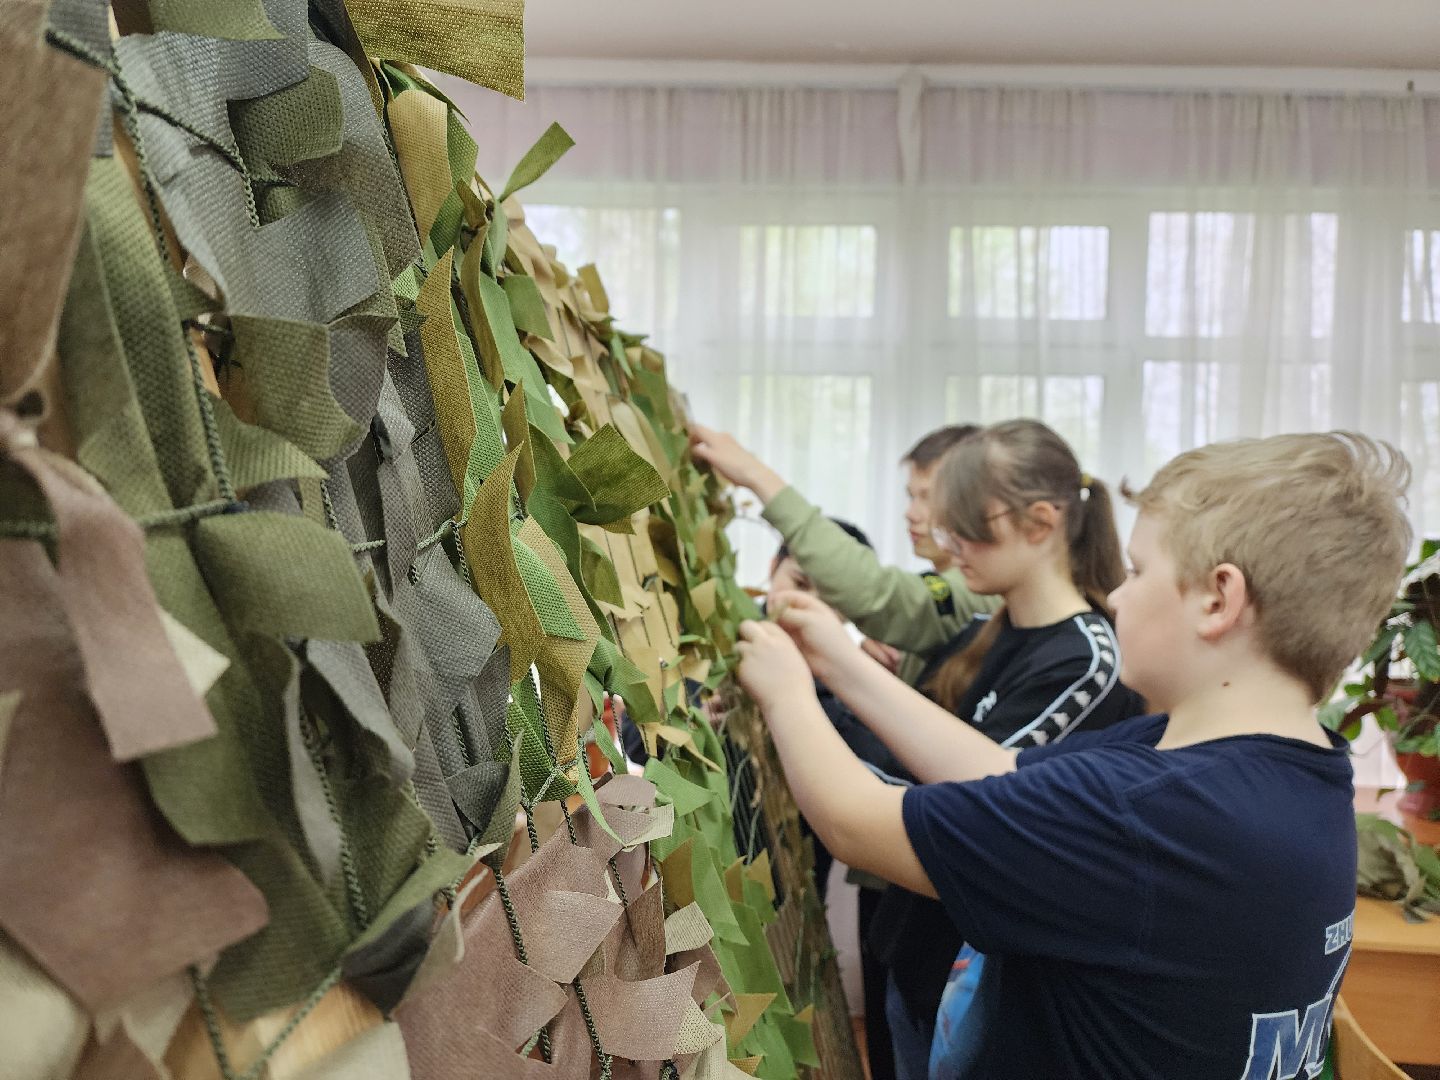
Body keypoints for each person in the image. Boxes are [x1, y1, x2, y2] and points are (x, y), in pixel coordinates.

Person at [737, 431, 1412, 1079]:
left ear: (1218, 598)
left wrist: (787, 691)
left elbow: (855, 821)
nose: (1116, 593)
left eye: (1141, 571)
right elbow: (998, 771)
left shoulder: (1143, 809)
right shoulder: (1282, 767)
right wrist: (841, 664)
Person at [847, 419, 1145, 1076]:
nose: (951, 547)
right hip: (916, 956)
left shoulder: (1086, 664)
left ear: (1040, 523)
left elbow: (968, 808)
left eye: (968, 529)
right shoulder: (987, 633)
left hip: (974, 988)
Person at [689, 423, 1000, 684]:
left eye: (928, 497)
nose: (911, 513)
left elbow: (879, 594)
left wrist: (756, 475)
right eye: (911, 496)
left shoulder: (977, 590)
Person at [765, 520, 905, 898]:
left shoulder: (855, 677)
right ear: (772, 566)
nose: (807, 607)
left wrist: (863, 681)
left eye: (833, 599)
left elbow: (885, 774)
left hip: (795, 896)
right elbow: (640, 740)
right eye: (799, 584)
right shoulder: (712, 642)